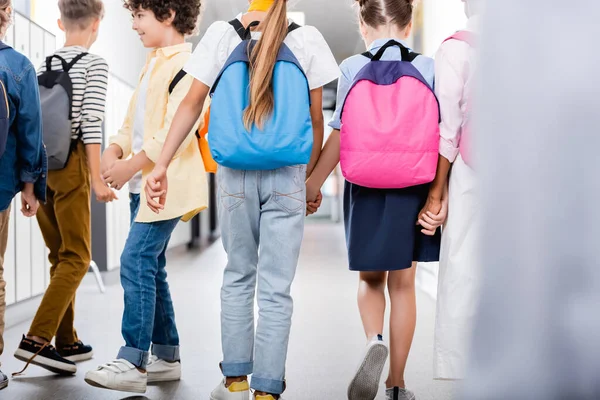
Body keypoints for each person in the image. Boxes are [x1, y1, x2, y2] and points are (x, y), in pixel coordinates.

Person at [144, 1, 339, 398]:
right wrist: (310, 182)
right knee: (276, 287)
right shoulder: (306, 39)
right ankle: (267, 390)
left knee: (237, 275)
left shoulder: (220, 35)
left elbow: (192, 104)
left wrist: (161, 163)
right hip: (288, 172)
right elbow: (316, 119)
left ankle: (235, 382)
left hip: (234, 172)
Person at [306, 1, 442, 399]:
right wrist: (439, 195)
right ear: (409, 21)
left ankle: (373, 340)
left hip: (366, 184)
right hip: (414, 184)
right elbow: (443, 135)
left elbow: (339, 134)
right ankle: (397, 384)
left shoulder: (352, 66)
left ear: (363, 23)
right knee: (404, 284)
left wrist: (313, 183)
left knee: (370, 279)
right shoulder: (428, 67)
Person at [84, 0, 206, 394]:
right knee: (151, 265)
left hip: (164, 187)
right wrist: (113, 151)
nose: (134, 25)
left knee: (134, 260)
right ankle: (167, 355)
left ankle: (133, 360)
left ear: (167, 14)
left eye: (139, 16)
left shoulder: (188, 64)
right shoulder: (152, 62)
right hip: (143, 186)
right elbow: (130, 123)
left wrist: (131, 164)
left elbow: (176, 130)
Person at [13, 0, 114, 376]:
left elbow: (30, 124)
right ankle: (37, 338)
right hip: (71, 166)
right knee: (77, 256)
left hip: (41, 168)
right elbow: (90, 126)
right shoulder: (95, 64)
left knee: (60, 255)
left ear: (60, 22)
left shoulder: (44, 64)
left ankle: (66, 340)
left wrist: (29, 180)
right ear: (96, 24)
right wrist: (98, 179)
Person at [426, 0, 483, 381]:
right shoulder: (532, 40)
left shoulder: (456, 46)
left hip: (472, 167)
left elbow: (449, 130)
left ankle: (460, 366)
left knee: (463, 262)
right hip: (530, 167)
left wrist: (436, 191)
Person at [0, 0, 46, 389]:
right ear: (7, 15)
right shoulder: (18, 67)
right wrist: (30, 188)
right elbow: (30, 134)